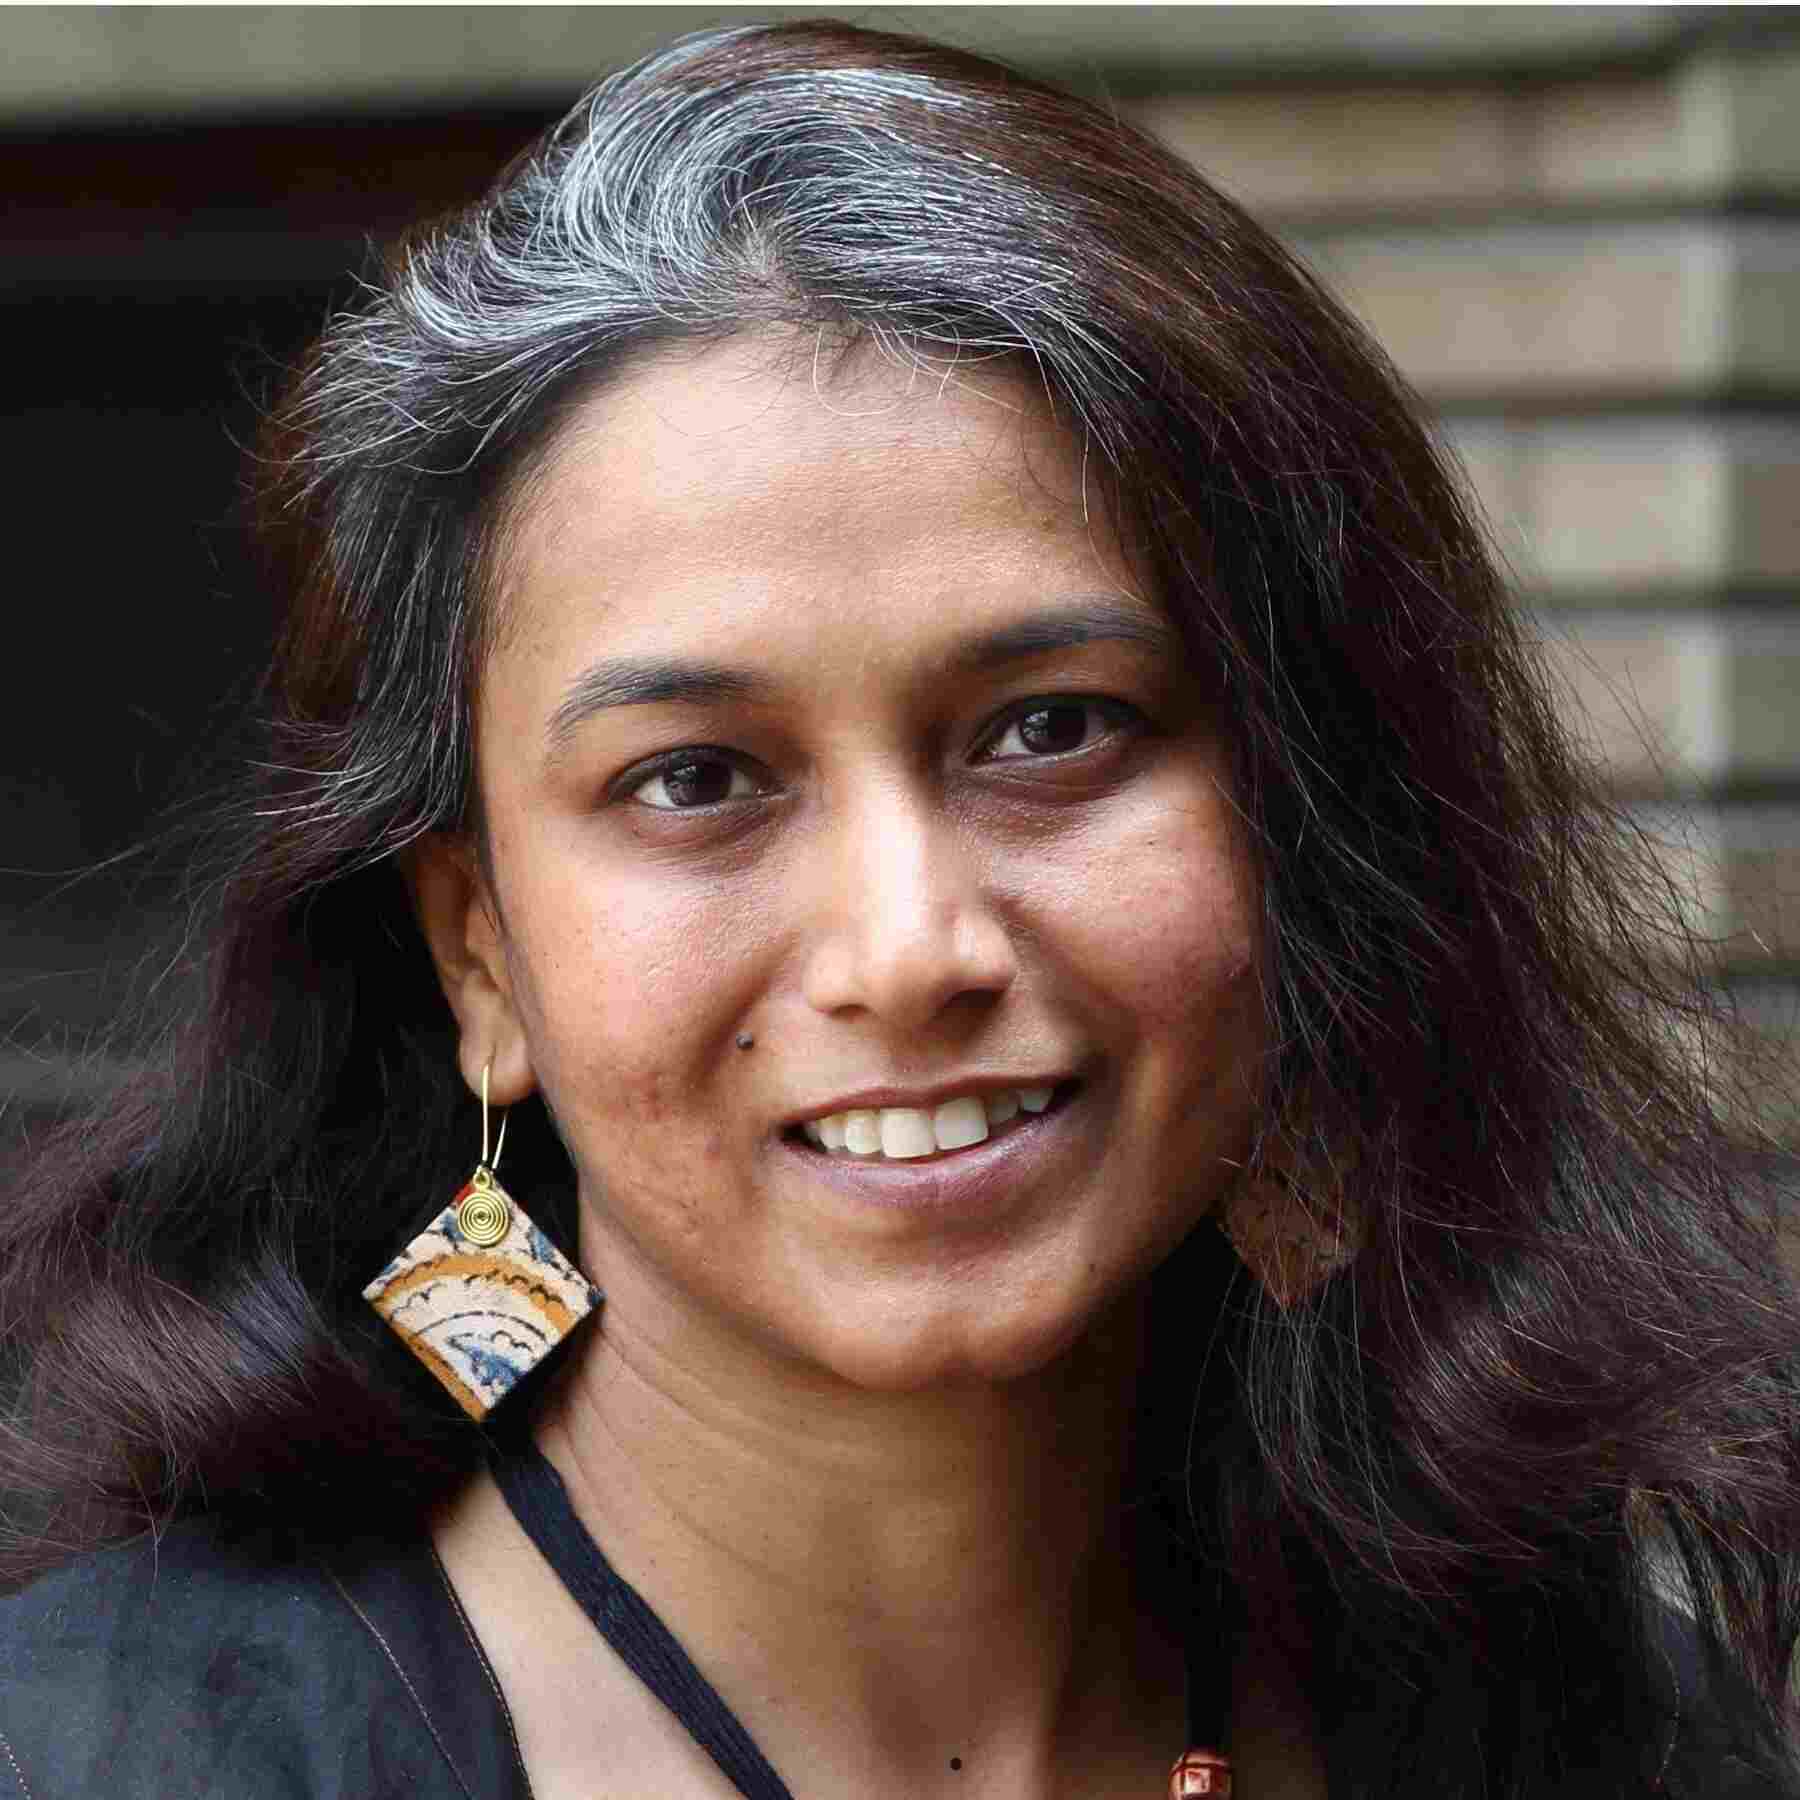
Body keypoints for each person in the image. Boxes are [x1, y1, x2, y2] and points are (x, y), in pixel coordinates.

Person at [2, 20, 1796, 1798]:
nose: (911, 949)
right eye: (696, 777)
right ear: (479, 949)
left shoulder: (1578, 1717)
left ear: (1308, 828)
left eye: (1052, 729)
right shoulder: (118, 1756)